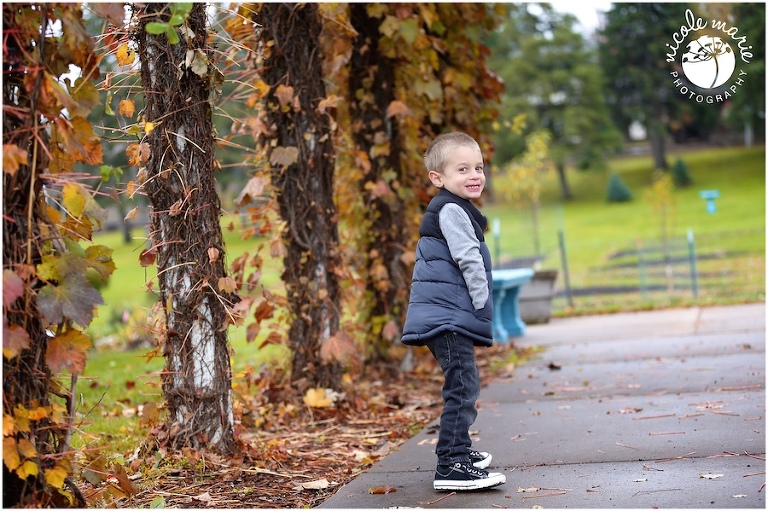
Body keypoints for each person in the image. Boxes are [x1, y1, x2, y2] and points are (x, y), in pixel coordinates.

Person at [401, 132, 505, 491]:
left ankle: (458, 450)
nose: (474, 174)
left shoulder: (451, 207)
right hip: (448, 316)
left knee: (462, 384)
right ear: (438, 178)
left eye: (478, 167)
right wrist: (483, 304)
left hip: (445, 314)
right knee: (462, 387)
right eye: (463, 168)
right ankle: (452, 465)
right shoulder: (452, 210)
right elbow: (468, 260)